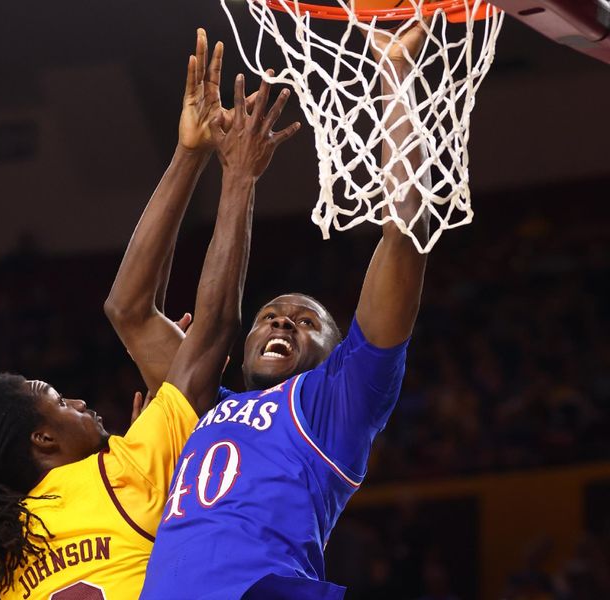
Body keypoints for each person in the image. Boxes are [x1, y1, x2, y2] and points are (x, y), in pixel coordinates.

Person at [0, 30, 299, 600]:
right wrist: (235, 175)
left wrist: (188, 153)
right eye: (56, 399)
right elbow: (213, 329)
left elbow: (126, 309)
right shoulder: (118, 474)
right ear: (43, 440)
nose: (77, 401)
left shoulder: (5, 562)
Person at [107, 24, 432, 600]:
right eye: (271, 315)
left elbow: (404, 237)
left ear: (339, 356)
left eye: (308, 322)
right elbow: (129, 310)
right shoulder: (199, 399)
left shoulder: (336, 402)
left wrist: (397, 75)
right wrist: (190, 153)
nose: (283, 321)